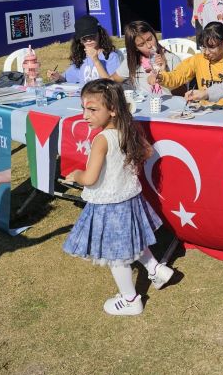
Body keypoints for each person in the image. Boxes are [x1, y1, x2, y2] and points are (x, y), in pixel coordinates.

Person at [62, 79, 174, 316]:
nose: (85, 115)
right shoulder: (128, 128)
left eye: (92, 109)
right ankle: (156, 270)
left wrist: (76, 175)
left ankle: (130, 299)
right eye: (83, 108)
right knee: (132, 240)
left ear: (112, 109)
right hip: (130, 198)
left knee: (117, 256)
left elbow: (90, 178)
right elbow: (148, 151)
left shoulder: (101, 139)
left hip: (110, 205)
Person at [151, 21, 223, 107]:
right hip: (205, 111)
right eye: (204, 47)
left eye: (212, 47)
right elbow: (178, 76)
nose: (206, 52)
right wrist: (161, 77)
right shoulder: (198, 59)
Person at [95, 21, 179, 95]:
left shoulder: (171, 59)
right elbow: (111, 81)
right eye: (141, 44)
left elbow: (182, 94)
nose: (149, 45)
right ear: (135, 48)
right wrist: (96, 60)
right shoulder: (133, 61)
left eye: (150, 39)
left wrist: (163, 73)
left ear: (154, 35)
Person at [47, 15, 121, 85]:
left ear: (100, 34)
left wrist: (96, 60)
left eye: (92, 36)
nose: (88, 40)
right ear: (79, 40)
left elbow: (112, 86)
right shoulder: (81, 58)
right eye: (84, 38)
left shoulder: (111, 57)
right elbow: (67, 77)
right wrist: (57, 77)